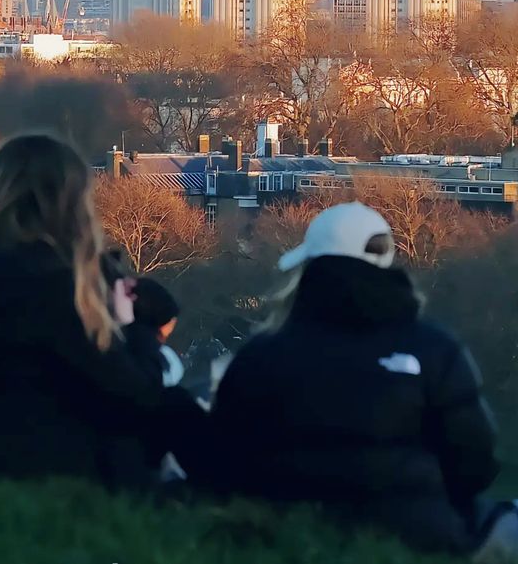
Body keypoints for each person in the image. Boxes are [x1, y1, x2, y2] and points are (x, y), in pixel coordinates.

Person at [210, 201, 518, 559]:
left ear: (310, 269)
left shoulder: (261, 356)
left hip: (291, 535)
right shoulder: (433, 349)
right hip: (415, 535)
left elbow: (223, 457)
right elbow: (475, 459)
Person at [0, 133, 205, 489]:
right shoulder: (51, 285)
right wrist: (137, 330)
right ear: (69, 204)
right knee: (175, 406)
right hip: (37, 462)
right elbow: (137, 393)